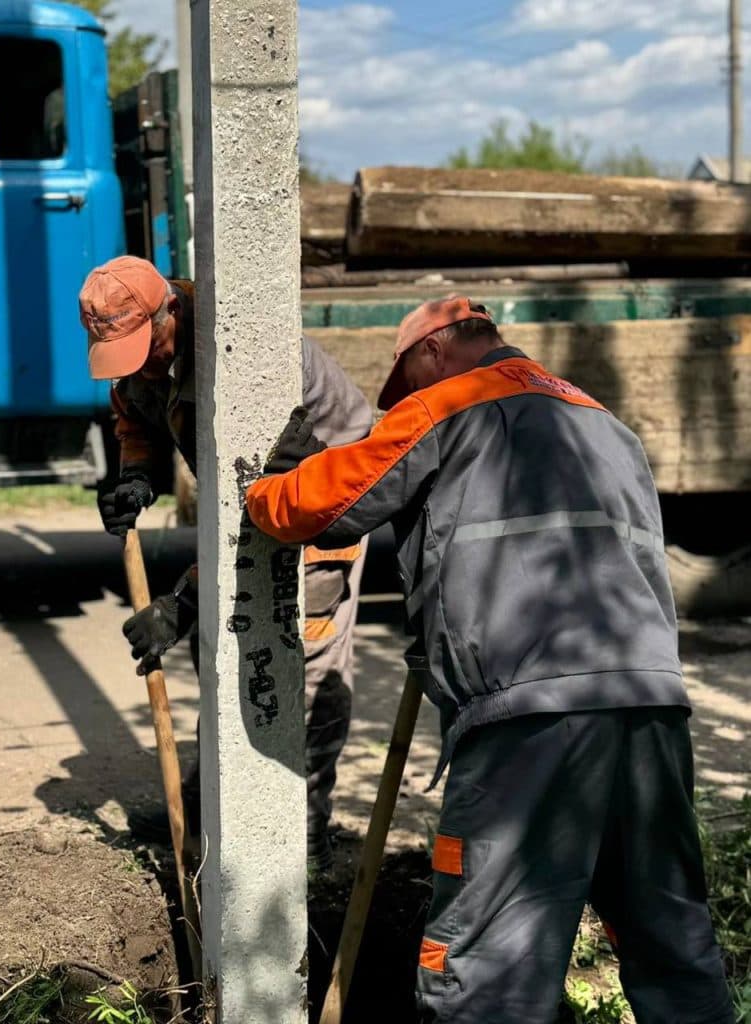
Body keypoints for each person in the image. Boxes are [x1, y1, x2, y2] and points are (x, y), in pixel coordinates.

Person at [246, 297, 735, 1024]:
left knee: (484, 969)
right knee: (669, 936)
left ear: (431, 353)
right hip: (649, 707)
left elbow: (311, 510)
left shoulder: (447, 403)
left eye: (405, 385)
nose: (403, 403)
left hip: (530, 719)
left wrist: (274, 479)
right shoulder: (606, 425)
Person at [78, 255, 373, 872]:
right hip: (258, 503)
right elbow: (136, 410)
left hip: (323, 501)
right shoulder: (144, 353)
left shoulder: (240, 355)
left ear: (171, 311)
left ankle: (308, 831)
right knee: (229, 652)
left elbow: (257, 521)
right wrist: (136, 475)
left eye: (147, 348)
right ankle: (209, 801)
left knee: (304, 667)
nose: (145, 364)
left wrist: (185, 600)